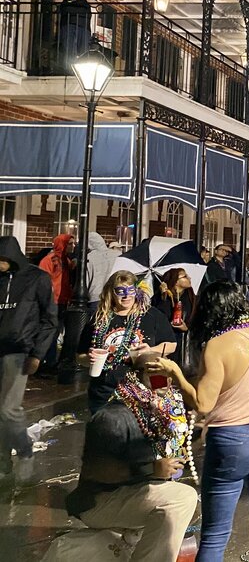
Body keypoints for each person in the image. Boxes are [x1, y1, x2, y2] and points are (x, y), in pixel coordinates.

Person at [149, 280, 249, 562]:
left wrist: (175, 372)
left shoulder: (217, 345)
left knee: (216, 534)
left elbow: (202, 403)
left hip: (232, 439)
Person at [63, 350, 198, 562]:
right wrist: (151, 469)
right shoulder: (112, 417)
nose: (167, 382)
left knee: (176, 498)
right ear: (138, 376)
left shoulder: (157, 409)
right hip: (101, 501)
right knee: (181, 498)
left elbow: (176, 448)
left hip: (133, 493)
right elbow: (99, 472)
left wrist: (197, 436)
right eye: (159, 375)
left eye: (169, 374)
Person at [0, 237, 57, 479]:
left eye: (2, 260)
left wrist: (37, 354)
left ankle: (24, 449)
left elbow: (50, 318)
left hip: (19, 349)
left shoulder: (36, 279)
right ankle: (2, 463)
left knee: (8, 409)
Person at [79, 272, 174, 414]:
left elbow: (171, 345)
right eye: (120, 291)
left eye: (130, 290)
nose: (126, 296)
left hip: (141, 390)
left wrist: (150, 351)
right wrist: (88, 359)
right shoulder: (99, 319)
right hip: (104, 391)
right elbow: (79, 356)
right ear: (111, 292)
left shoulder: (152, 315)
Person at [39, 233, 77, 371]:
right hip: (52, 301)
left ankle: (51, 362)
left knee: (56, 333)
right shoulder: (50, 260)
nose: (73, 246)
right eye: (70, 244)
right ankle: (45, 363)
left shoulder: (65, 260)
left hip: (62, 301)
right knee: (50, 333)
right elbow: (43, 280)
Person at [53, 0, 98, 69]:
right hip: (68, 23)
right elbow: (56, 2)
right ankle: (69, 70)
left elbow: (95, 5)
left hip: (83, 25)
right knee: (69, 49)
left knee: (83, 51)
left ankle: (81, 70)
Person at [84, 232, 118, 315]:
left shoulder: (89, 258)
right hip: (114, 295)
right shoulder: (117, 255)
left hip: (95, 297)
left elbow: (86, 281)